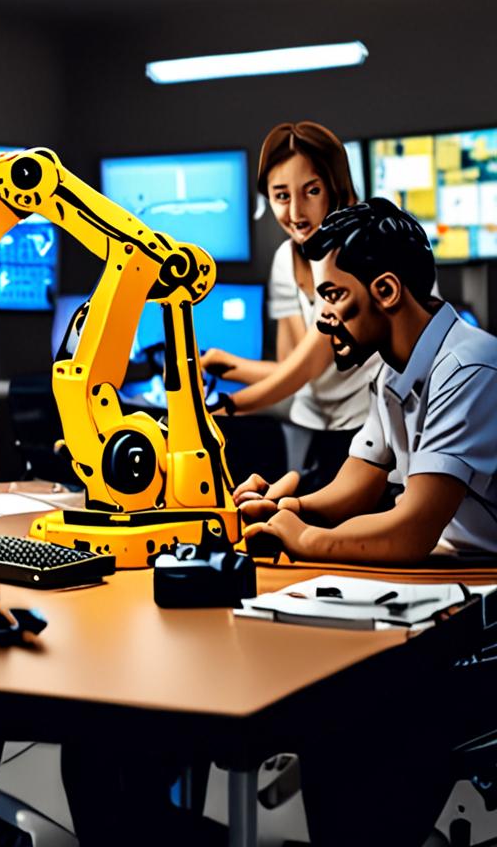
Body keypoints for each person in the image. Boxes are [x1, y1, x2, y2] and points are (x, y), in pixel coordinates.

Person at [238, 197, 497, 563]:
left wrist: (308, 540)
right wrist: (288, 509)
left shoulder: (467, 371)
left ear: (387, 291)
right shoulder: (390, 371)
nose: (322, 319)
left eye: (334, 296)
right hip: (456, 561)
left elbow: (413, 528)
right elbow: (359, 481)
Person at [201, 121, 379, 491]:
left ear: (334, 186)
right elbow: (294, 368)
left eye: (311, 191)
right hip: (322, 426)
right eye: (281, 195)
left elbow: (310, 364)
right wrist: (229, 364)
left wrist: (223, 408)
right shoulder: (287, 258)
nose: (296, 211)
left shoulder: (355, 250)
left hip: (375, 425)